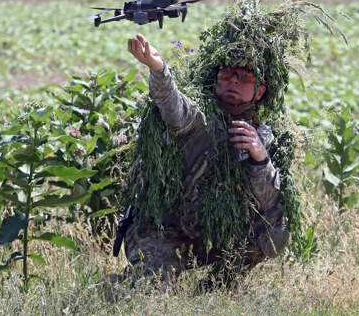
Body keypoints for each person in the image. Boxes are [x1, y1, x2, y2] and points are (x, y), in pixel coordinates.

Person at [121, 32, 290, 288]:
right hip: (163, 230)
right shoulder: (199, 119)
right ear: (216, 81)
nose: (234, 81)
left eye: (244, 78)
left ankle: (220, 286)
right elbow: (173, 107)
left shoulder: (262, 135)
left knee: (276, 228)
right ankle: (116, 289)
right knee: (151, 292)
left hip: (211, 235)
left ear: (260, 91)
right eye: (226, 75)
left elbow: (271, 203)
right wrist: (158, 68)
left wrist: (260, 159)